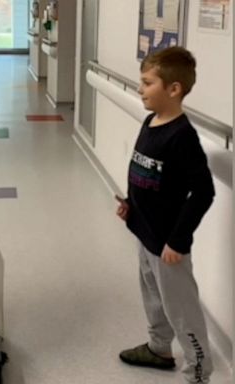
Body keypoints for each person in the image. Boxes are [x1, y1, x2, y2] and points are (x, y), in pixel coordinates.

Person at [116, 46, 215, 384]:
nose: (140, 90)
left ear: (174, 89)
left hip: (169, 245)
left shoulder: (182, 137)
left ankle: (198, 373)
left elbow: (203, 192)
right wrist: (130, 204)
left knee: (181, 310)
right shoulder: (150, 121)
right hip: (145, 231)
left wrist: (178, 239)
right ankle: (159, 349)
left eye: (147, 83)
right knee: (153, 298)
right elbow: (143, 171)